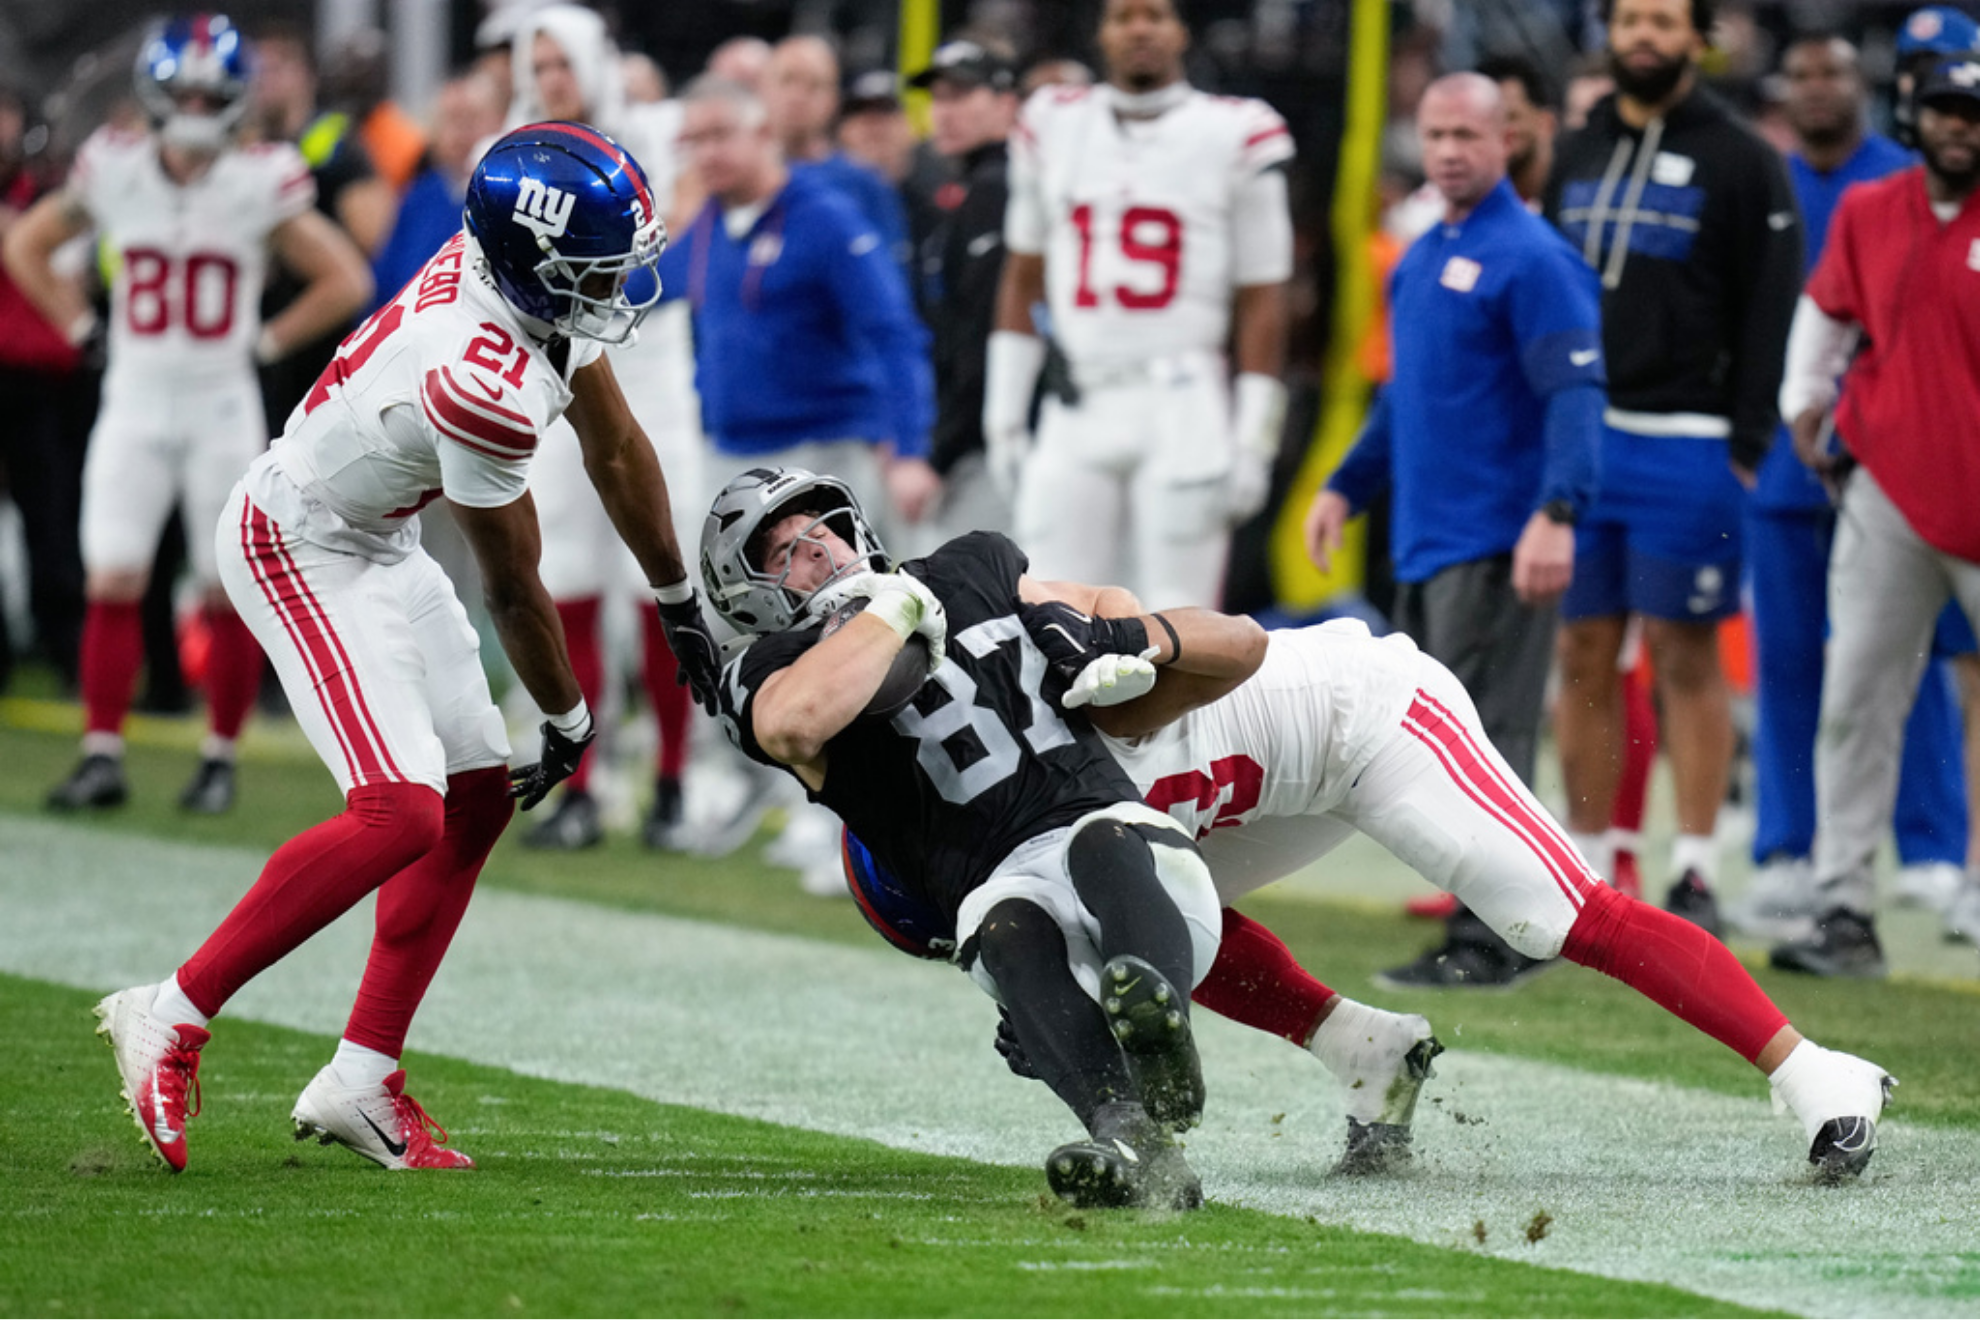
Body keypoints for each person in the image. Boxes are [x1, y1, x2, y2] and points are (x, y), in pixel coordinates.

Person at [85, 121, 721, 1174]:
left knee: (473, 797)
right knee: (399, 811)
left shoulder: (519, 282)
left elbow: (613, 444)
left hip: (377, 537)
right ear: (535, 263)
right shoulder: (479, 377)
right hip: (298, 541)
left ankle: (362, 1077)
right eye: (597, 266)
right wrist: (568, 715)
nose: (616, 285)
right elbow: (511, 584)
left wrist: (676, 597)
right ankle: (172, 1008)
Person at [850, 597, 1901, 1181]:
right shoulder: (1004, 838)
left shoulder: (1019, 727)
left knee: (1550, 913)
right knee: (1159, 926)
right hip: (1251, 792)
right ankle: (1364, 1049)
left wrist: (1133, 637)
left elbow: (1164, 627)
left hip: (1360, 719)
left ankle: (1816, 1072)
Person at [702, 465, 1256, 1209]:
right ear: (751, 594)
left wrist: (1107, 636)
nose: (820, 548)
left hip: (1145, 879)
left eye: (823, 526)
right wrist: (894, 608)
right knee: (1004, 923)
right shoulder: (772, 667)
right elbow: (794, 723)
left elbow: (1128, 609)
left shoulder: (969, 567)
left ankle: (1164, 1043)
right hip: (1019, 922)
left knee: (1099, 843)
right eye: (784, 550)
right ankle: (1134, 1142)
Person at [4, 15, 374, 813]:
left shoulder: (260, 178)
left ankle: (219, 757)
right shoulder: (115, 168)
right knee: (113, 573)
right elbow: (25, 245)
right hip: (134, 394)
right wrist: (81, 328)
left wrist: (266, 340)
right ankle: (101, 752)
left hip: (219, 400)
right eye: (186, 93)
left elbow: (346, 276)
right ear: (156, 93)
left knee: (221, 585)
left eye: (212, 94)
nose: (199, 107)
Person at [1306, 73, 1604, 988]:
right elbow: (1407, 395)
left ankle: (1498, 939)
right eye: (1434, 134)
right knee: (1447, 746)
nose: (1448, 151)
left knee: (1489, 744)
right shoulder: (1425, 252)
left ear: (1507, 141)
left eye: (1467, 135)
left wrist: (1557, 512)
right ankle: (1484, 925)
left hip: (1495, 540)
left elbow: (1575, 393)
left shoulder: (1535, 257)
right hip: (1429, 538)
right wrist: (1345, 486)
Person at [1541, 0, 1801, 933]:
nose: (1643, 36)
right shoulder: (1576, 149)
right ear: (1608, 34)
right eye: (1630, 20)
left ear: (1698, 37)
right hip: (1584, 434)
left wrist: (1746, 446)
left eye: (1662, 20)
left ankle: (1693, 869)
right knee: (1582, 651)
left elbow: (1773, 305)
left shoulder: (1743, 157)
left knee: (1685, 653)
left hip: (1690, 437)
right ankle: (1584, 866)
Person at [1729, 29, 1976, 946]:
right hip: (1868, 485)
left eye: (1974, 114)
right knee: (1840, 687)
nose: (1960, 128)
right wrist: (1794, 402)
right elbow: (1813, 309)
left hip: (1969, 493)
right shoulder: (1856, 201)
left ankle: (1947, 860)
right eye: (1946, 110)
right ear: (1916, 113)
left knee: (1936, 686)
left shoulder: (1891, 185)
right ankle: (1828, 890)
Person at [985, 0, 1295, 610]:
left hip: (1182, 397)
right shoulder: (1052, 121)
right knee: (1050, 606)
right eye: (1124, 16)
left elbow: (1265, 295)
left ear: (1182, 29)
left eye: (1154, 15)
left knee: (1178, 616)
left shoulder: (1237, 130)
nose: (1139, 30)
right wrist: (1005, 415)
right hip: (1080, 397)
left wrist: (1255, 438)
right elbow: (1023, 276)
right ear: (1102, 31)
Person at [501, 6, 707, 852]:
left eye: (564, 62)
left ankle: (673, 780)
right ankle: (583, 784)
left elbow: (676, 228)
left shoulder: (657, 131)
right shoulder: (518, 151)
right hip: (559, 375)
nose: (553, 79)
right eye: (540, 65)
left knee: (665, 582)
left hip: (652, 375)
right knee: (569, 584)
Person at [907, 39, 1023, 546]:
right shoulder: (968, 190)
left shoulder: (998, 188)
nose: (944, 112)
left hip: (991, 446)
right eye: (938, 98)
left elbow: (985, 336)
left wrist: (940, 455)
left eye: (961, 96)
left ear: (1006, 103)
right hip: (979, 437)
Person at [762, 37, 911, 267]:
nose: (797, 96)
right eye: (787, 80)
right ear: (762, 88)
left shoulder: (865, 184)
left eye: (814, 85)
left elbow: (889, 271)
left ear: (833, 100)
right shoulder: (737, 180)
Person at [368, 72, 506, 309]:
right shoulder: (419, 194)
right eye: (452, 119)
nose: (461, 132)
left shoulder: (508, 200)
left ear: (499, 123)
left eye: (472, 118)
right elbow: (382, 284)